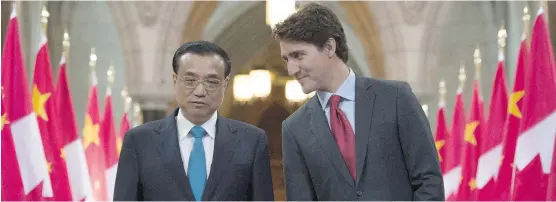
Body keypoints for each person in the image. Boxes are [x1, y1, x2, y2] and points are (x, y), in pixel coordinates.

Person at [273, 3, 445, 201]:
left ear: (329, 47)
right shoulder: (294, 128)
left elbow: (428, 180)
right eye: (287, 59)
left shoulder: (396, 98)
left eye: (298, 55)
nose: (291, 69)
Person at [113, 41, 274, 201]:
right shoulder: (140, 142)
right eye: (190, 80)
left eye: (211, 82)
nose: (200, 91)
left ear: (224, 85)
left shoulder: (251, 142)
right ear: (175, 80)